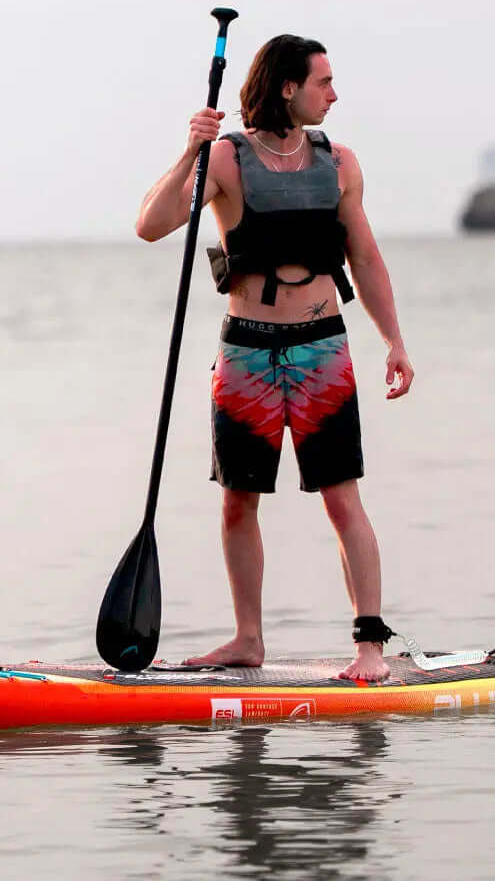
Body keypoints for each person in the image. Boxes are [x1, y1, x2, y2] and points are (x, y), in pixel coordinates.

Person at [135, 34, 414, 681]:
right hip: (247, 354)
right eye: (324, 81)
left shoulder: (340, 162)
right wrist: (189, 153)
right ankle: (247, 639)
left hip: (323, 350)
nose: (335, 93)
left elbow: (366, 258)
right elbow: (151, 225)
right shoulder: (227, 160)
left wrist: (394, 341)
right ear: (288, 87)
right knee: (238, 502)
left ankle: (369, 647)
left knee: (342, 499)